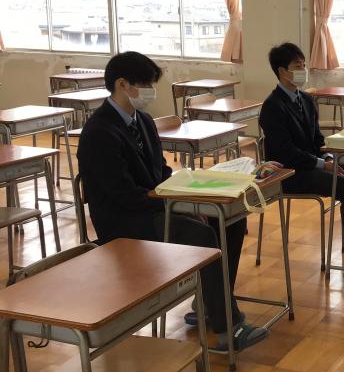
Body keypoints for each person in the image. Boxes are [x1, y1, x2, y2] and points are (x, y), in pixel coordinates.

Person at [78, 51, 268, 350]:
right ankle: (228, 328)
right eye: (144, 84)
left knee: (230, 221)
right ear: (122, 84)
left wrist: (191, 200)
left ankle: (210, 304)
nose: (150, 92)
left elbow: (162, 172)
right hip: (125, 220)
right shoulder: (99, 131)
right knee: (201, 234)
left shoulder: (143, 121)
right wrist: (178, 206)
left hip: (154, 205)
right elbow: (123, 195)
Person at [259, 42, 344, 284]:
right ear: (282, 72)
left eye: (304, 65)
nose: (303, 70)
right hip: (291, 174)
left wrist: (329, 158)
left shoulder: (306, 100)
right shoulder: (272, 107)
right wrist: (322, 165)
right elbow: (286, 153)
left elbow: (318, 139)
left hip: (315, 164)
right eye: (297, 66)